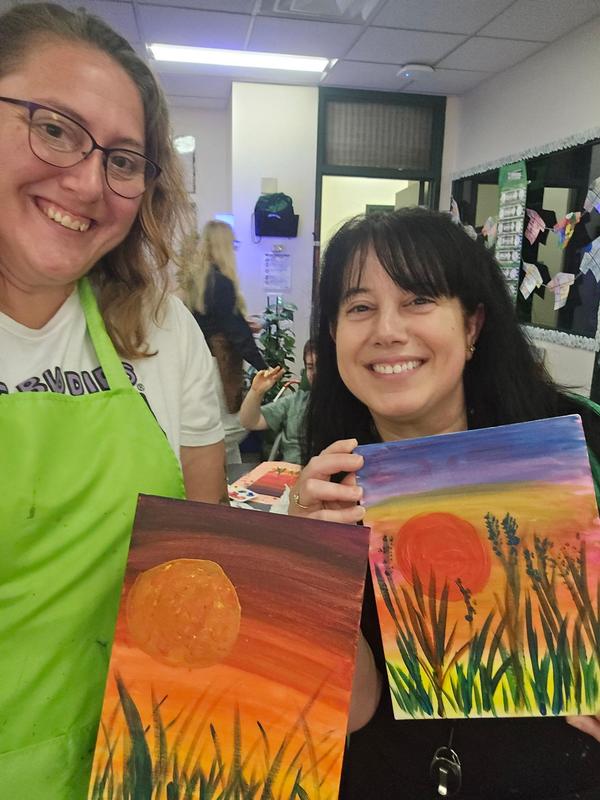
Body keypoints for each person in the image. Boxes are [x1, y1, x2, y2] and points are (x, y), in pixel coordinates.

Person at [289, 207, 600, 800]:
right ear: (332, 333)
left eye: (418, 300)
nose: (387, 330)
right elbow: (350, 712)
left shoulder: (580, 452)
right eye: (359, 307)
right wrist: (309, 561)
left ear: (473, 324)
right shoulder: (328, 490)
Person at [0, 3, 226, 796]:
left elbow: (205, 577)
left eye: (124, 159)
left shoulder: (162, 333)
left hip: (136, 769)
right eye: (54, 128)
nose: (88, 182)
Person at [179, 219, 267, 462]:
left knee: (211, 426)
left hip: (195, 364)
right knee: (234, 426)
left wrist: (239, 321)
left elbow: (213, 320)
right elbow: (237, 334)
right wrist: (265, 369)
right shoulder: (222, 283)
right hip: (219, 367)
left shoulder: (194, 282)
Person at [239, 340, 315, 463]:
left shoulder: (348, 405)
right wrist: (256, 392)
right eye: (311, 367)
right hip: (290, 473)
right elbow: (251, 422)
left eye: (324, 366)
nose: (316, 373)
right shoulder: (295, 402)